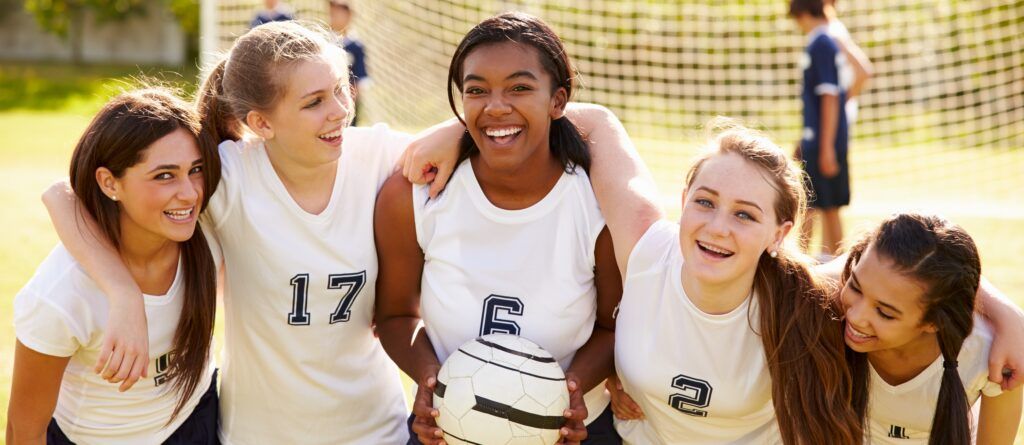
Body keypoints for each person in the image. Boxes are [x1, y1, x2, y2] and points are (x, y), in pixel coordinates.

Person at [43, 19, 643, 445]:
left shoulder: (383, 157)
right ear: (260, 123)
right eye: (312, 103)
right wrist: (121, 294)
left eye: (341, 89)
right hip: (256, 432)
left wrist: (453, 129)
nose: (337, 111)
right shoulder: (229, 179)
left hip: (377, 429)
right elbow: (67, 194)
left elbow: (540, 119)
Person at [375, 12, 623, 444]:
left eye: (520, 88)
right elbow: (395, 315)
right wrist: (430, 379)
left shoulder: (597, 205)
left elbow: (614, 327)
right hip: (448, 429)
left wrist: (571, 391)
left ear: (558, 101)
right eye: (476, 90)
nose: (495, 106)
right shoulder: (413, 196)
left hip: (571, 433)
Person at [607, 120, 865, 444]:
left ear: (778, 235)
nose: (717, 228)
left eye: (744, 215)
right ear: (684, 199)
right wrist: (611, 371)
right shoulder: (646, 250)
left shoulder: (806, 299)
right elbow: (598, 123)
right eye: (705, 202)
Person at [7, 89, 220, 444]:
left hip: (196, 419)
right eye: (164, 175)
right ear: (109, 183)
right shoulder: (60, 295)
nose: (190, 193)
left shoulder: (210, 228)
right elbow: (23, 432)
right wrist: (124, 293)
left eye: (195, 170)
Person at [841, 213, 1022, 443]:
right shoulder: (825, 312)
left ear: (934, 322)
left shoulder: (991, 355)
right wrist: (1010, 314)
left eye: (885, 313)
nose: (855, 317)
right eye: (855, 288)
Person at [790, 0, 849, 258]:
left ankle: (835, 262)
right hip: (815, 140)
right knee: (811, 204)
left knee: (827, 205)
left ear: (802, 13)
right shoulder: (821, 42)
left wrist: (826, 147)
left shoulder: (822, 43)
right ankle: (802, 259)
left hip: (825, 143)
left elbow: (830, 97)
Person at [823, 0, 873, 126]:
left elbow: (863, 71)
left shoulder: (832, 31)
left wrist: (839, 104)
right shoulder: (827, 29)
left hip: (834, 116)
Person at [328, 0, 369, 126]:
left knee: (350, 132)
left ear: (349, 16)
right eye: (332, 14)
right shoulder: (326, 43)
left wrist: (353, 98)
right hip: (329, 98)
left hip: (349, 99)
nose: (334, 18)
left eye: (339, 14)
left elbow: (361, 75)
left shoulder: (356, 45)